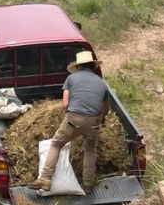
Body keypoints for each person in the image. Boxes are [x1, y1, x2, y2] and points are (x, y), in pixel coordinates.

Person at [28, 50, 108, 194]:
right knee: (90, 150)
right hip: (94, 122)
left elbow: (65, 104)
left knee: (56, 144)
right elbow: (105, 107)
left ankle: (45, 179)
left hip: (74, 119)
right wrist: (101, 119)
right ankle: (88, 184)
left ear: (78, 67)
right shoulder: (101, 83)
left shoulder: (71, 78)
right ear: (92, 66)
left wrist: (70, 115)